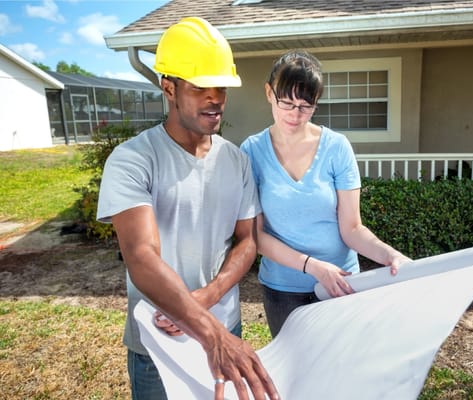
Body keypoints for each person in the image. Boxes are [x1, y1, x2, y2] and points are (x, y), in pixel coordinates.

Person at [97, 17, 278, 400]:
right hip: (159, 345)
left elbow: (248, 240)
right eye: (201, 86)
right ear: (169, 87)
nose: (216, 98)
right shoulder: (133, 159)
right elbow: (141, 256)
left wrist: (210, 298)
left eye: (221, 86)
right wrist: (208, 332)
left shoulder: (237, 160)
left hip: (227, 330)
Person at [240, 50, 412, 337]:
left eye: (306, 106)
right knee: (294, 376)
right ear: (269, 93)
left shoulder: (336, 147)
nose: (295, 114)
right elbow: (256, 236)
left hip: (341, 285)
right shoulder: (252, 151)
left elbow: (352, 228)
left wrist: (391, 256)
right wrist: (313, 267)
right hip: (283, 290)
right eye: (287, 103)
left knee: (340, 370)